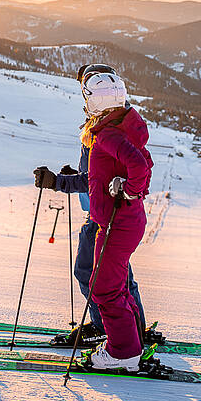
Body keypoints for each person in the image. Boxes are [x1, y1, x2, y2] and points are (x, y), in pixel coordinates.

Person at [34, 67, 153, 371]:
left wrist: (129, 190)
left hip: (113, 219)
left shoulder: (107, 133)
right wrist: (70, 180)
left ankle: (123, 349)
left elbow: (140, 167)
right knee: (114, 283)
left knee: (104, 286)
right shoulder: (119, 125)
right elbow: (114, 171)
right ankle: (128, 340)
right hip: (115, 217)